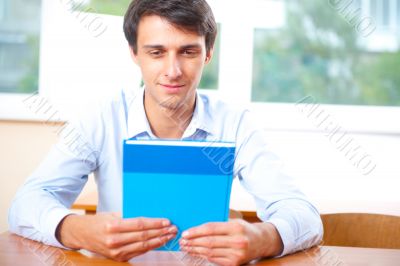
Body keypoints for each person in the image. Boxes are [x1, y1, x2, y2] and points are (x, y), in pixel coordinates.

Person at [8, 0, 323, 265]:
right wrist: (76, 229)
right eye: (156, 52)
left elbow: (305, 217)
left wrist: (263, 237)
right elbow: (25, 204)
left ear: (208, 53)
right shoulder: (102, 117)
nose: (173, 71)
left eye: (188, 52)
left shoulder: (235, 122)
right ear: (134, 53)